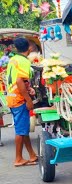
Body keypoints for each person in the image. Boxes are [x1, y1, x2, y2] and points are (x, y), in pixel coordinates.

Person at [5, 37, 38, 166]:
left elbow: (17, 80)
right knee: (20, 131)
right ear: (29, 47)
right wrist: (28, 99)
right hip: (19, 99)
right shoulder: (24, 61)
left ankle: (32, 155)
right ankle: (18, 159)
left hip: (12, 96)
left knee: (23, 129)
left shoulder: (13, 59)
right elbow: (19, 81)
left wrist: (28, 88)